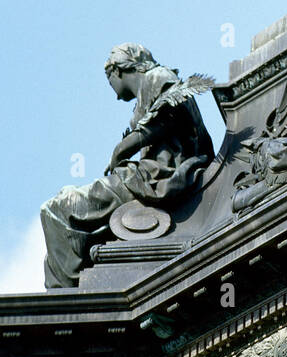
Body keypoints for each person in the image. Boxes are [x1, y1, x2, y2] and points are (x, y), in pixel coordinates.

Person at [41, 45, 214, 288]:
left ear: (117, 70)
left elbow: (169, 117)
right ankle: (68, 289)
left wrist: (122, 149)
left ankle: (68, 294)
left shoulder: (159, 77)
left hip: (158, 178)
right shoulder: (149, 88)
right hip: (146, 176)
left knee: (57, 209)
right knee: (61, 207)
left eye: (108, 79)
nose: (112, 91)